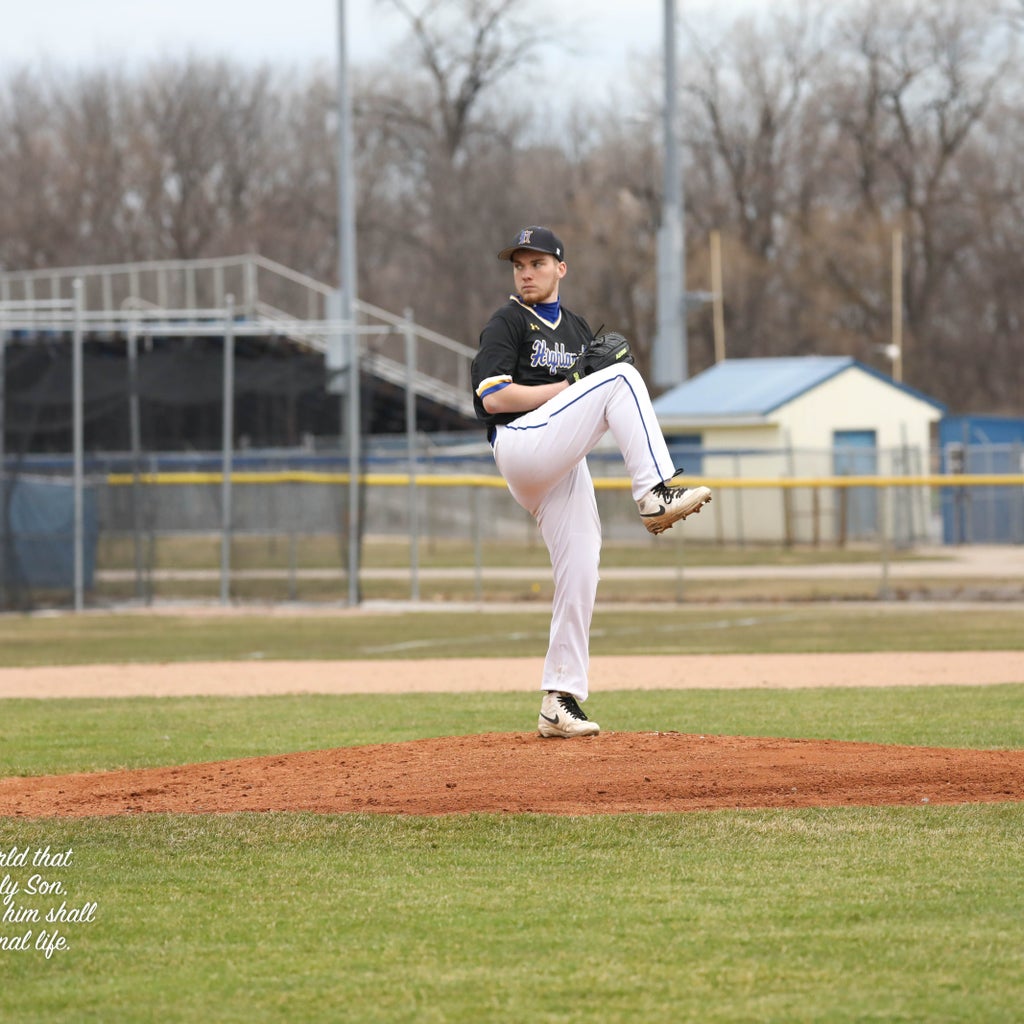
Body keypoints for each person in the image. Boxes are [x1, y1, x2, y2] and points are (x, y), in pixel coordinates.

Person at [472, 225, 712, 739]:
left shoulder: (577, 329)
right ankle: (653, 493)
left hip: (559, 458)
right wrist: (570, 386)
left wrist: (580, 391)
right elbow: (492, 398)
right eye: (519, 264)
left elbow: (589, 406)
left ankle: (559, 698)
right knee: (623, 377)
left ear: (561, 268)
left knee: (582, 565)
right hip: (519, 443)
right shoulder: (508, 322)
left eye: (536, 262)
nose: (526, 271)